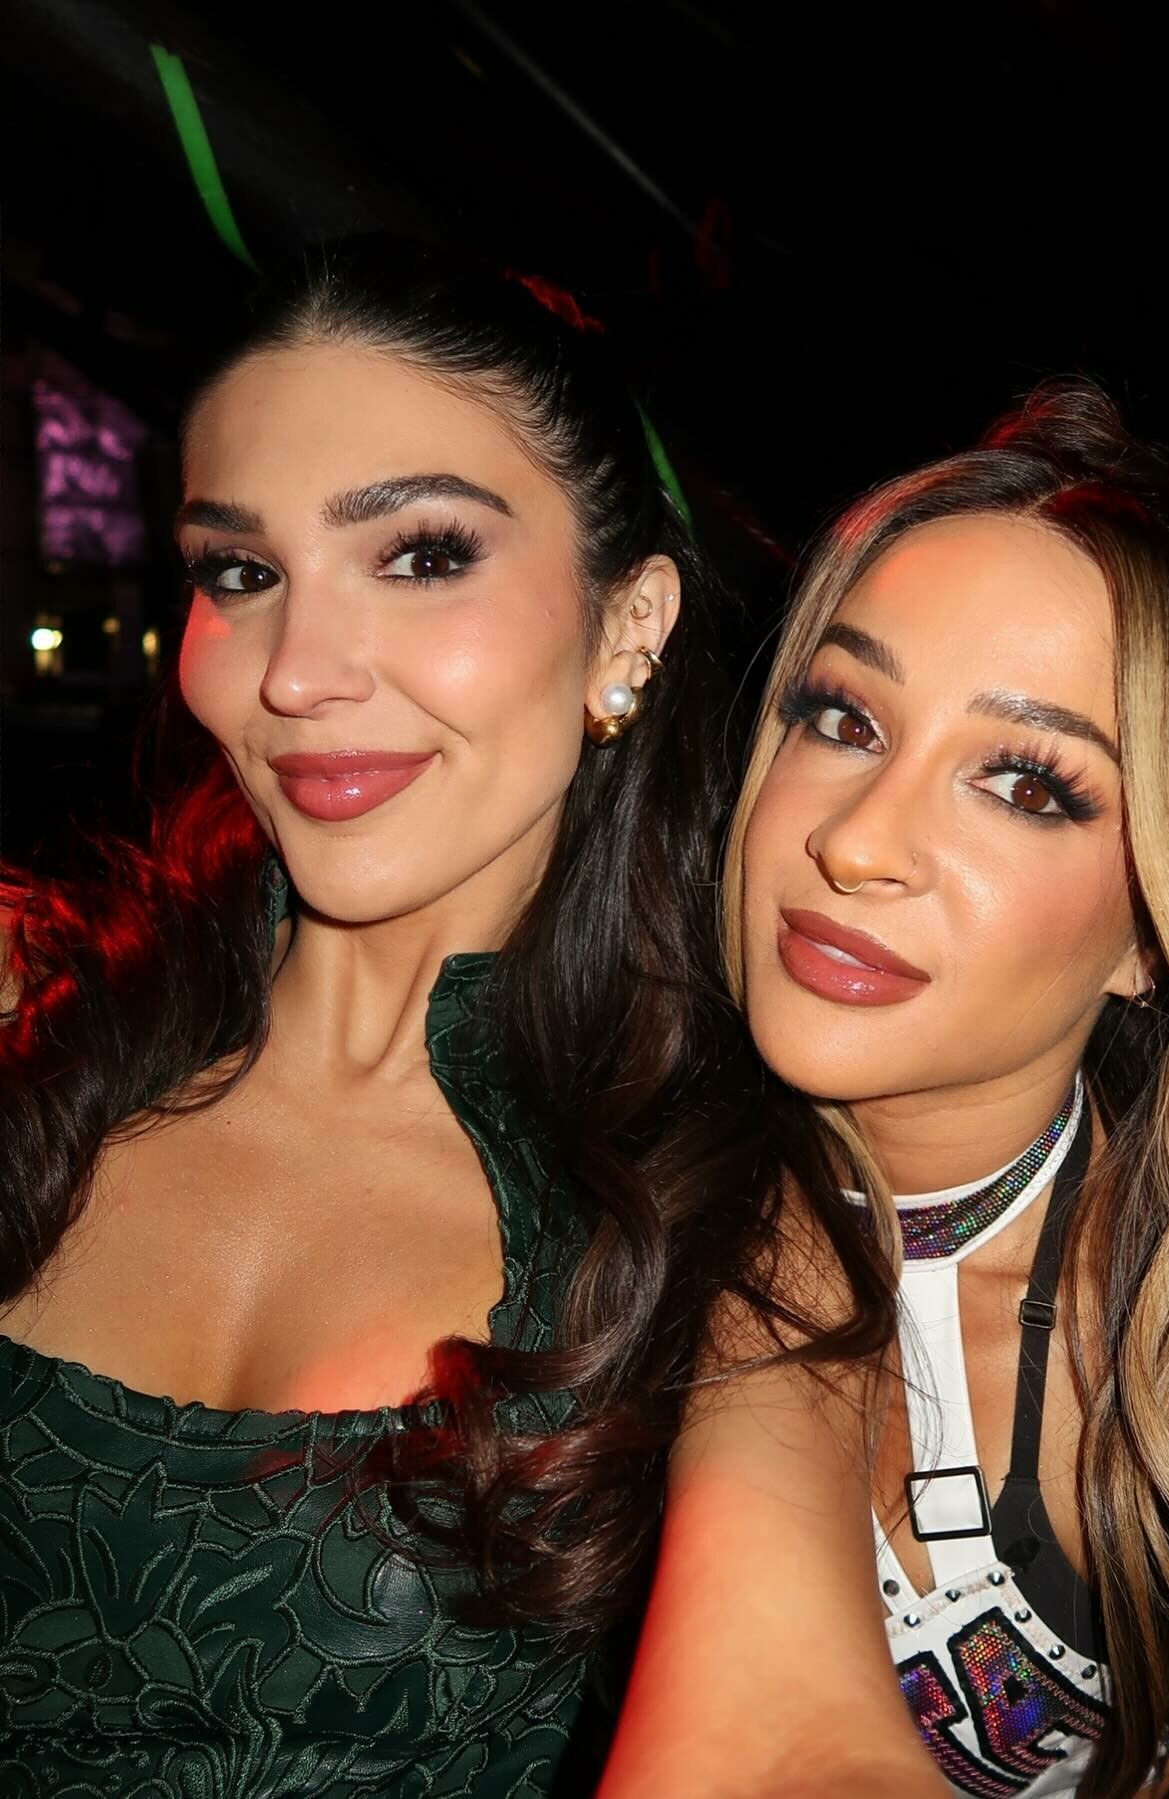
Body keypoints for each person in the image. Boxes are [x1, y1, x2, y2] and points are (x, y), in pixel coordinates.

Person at [0, 242, 895, 1796]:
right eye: (242, 572)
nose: (296, 674)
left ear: (628, 624)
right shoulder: (34, 1013)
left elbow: (794, 1735)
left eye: (419, 555)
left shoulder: (726, 1214)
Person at [603, 382, 1169, 1797]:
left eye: (1030, 785)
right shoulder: (560, 1147)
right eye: (843, 716)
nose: (859, 843)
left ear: (1156, 936)